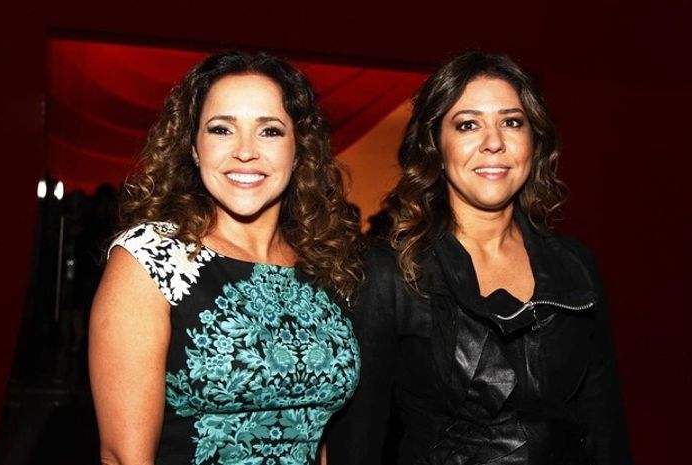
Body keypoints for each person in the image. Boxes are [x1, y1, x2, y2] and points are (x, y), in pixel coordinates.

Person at [326, 51, 631, 465]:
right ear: (435, 146)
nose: (493, 142)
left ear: (534, 141)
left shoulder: (575, 265)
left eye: (512, 122)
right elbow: (357, 445)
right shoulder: (391, 272)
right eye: (468, 124)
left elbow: (605, 427)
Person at [89, 51, 364, 465]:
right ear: (194, 148)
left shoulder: (323, 263)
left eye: (269, 131)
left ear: (298, 150)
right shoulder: (150, 259)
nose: (245, 152)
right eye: (222, 129)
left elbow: (320, 431)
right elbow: (122, 457)